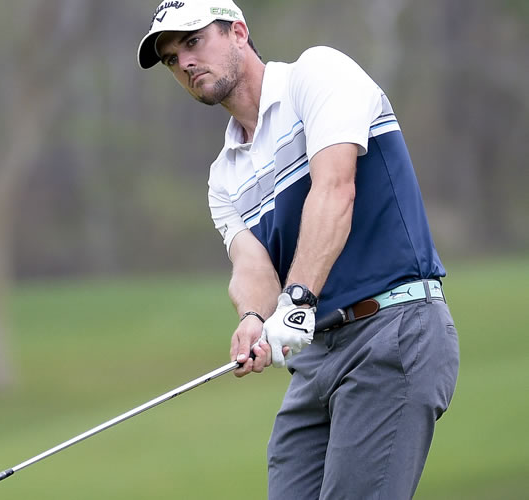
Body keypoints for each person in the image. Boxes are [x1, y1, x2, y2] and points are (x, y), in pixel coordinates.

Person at [136, 1, 460, 498]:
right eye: (170, 58)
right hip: (318, 357)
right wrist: (250, 318)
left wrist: (299, 301)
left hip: (393, 331)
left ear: (239, 32)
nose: (183, 63)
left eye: (193, 42)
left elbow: (335, 190)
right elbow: (252, 266)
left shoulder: (318, 75)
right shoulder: (223, 177)